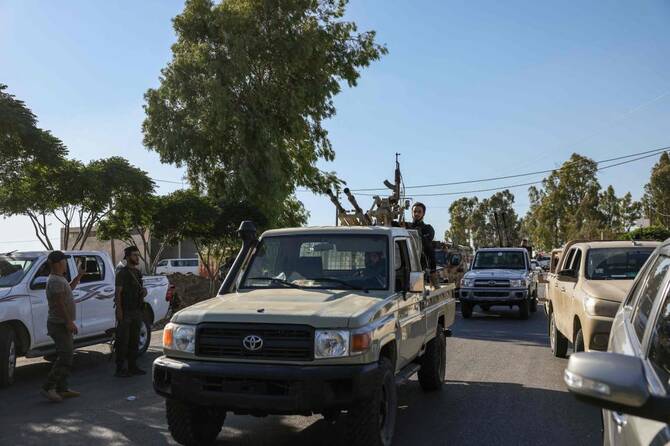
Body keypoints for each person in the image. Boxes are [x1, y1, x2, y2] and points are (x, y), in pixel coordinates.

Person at [41, 251, 85, 402]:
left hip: (62, 324)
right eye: (64, 261)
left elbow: (68, 290)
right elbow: (59, 304)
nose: (66, 263)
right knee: (65, 356)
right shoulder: (55, 280)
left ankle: (62, 388)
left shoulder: (60, 279)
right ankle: (49, 387)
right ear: (58, 263)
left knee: (67, 355)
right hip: (59, 324)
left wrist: (79, 276)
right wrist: (68, 322)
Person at [114, 246, 148, 377]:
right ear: (128, 257)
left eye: (138, 255)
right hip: (126, 311)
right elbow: (118, 293)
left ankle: (132, 366)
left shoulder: (138, 273)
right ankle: (120, 368)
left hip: (136, 310)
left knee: (134, 340)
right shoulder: (122, 273)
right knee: (123, 341)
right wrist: (119, 310)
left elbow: (141, 290)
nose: (137, 258)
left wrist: (144, 292)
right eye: (135, 255)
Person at [409, 202, 438, 285]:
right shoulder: (407, 226)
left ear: (423, 214)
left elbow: (428, 247)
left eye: (419, 212)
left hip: (420, 266)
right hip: (405, 265)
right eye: (415, 211)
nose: (416, 214)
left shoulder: (428, 228)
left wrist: (433, 270)